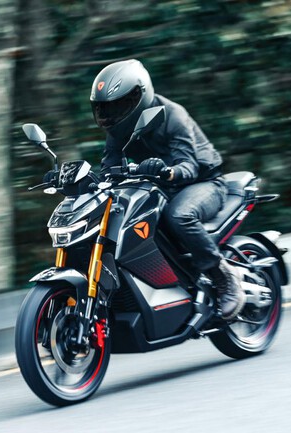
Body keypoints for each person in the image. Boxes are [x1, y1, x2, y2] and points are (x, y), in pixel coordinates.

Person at [90, 59, 245, 320]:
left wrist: (166, 171)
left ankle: (223, 276)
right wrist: (81, 180)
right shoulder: (118, 129)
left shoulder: (173, 116)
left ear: (139, 95)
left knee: (179, 216)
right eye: (104, 108)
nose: (110, 114)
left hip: (203, 183)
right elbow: (108, 168)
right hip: (161, 189)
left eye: (118, 105)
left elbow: (189, 166)